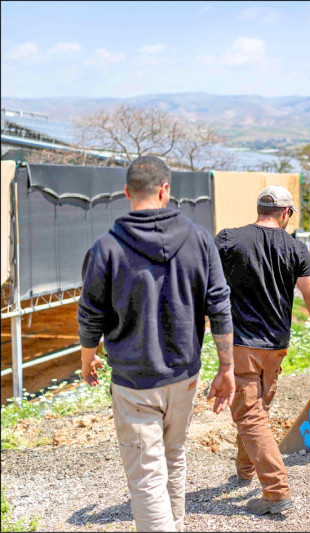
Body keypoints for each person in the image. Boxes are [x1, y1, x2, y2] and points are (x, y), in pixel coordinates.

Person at [78, 155, 236, 532]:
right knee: (174, 456)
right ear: (166, 190)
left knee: (146, 475)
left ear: (126, 192)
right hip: (184, 376)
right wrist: (226, 368)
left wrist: (88, 357)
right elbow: (219, 305)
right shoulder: (199, 239)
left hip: (134, 382)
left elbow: (90, 314)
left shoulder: (106, 248)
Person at [214, 184, 310, 515]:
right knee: (254, 407)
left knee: (249, 411)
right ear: (286, 213)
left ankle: (276, 490)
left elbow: (205, 284)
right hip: (276, 347)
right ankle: (245, 468)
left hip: (241, 343)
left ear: (259, 209)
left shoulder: (228, 239)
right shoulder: (296, 247)